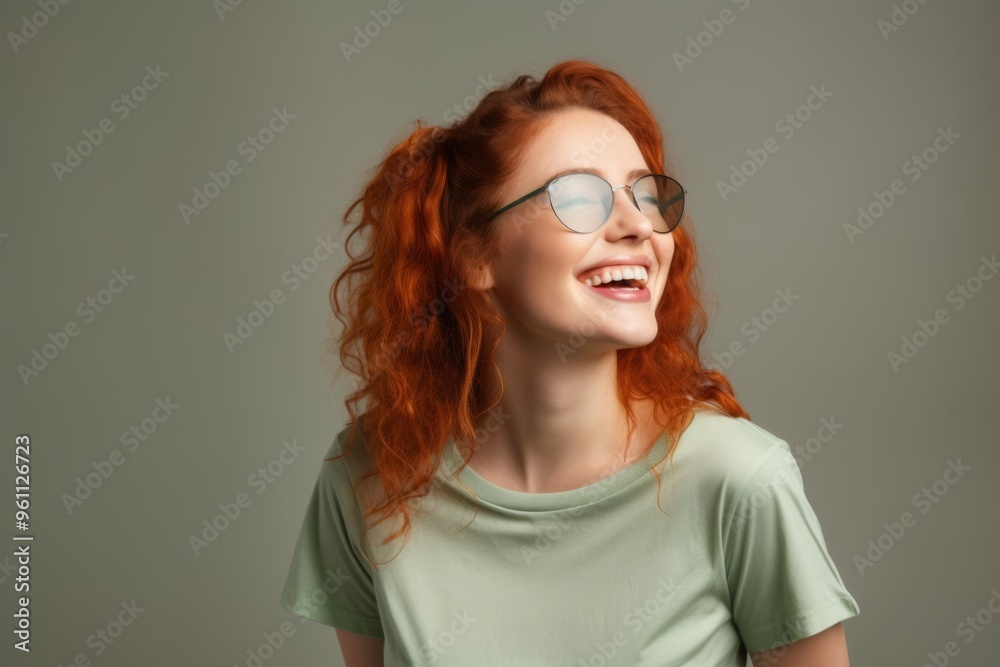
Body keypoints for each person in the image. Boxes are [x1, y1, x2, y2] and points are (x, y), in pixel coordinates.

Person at [279, 59, 860, 666]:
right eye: (580, 197)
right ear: (473, 256)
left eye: (646, 195)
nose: (638, 225)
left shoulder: (738, 480)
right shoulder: (370, 475)